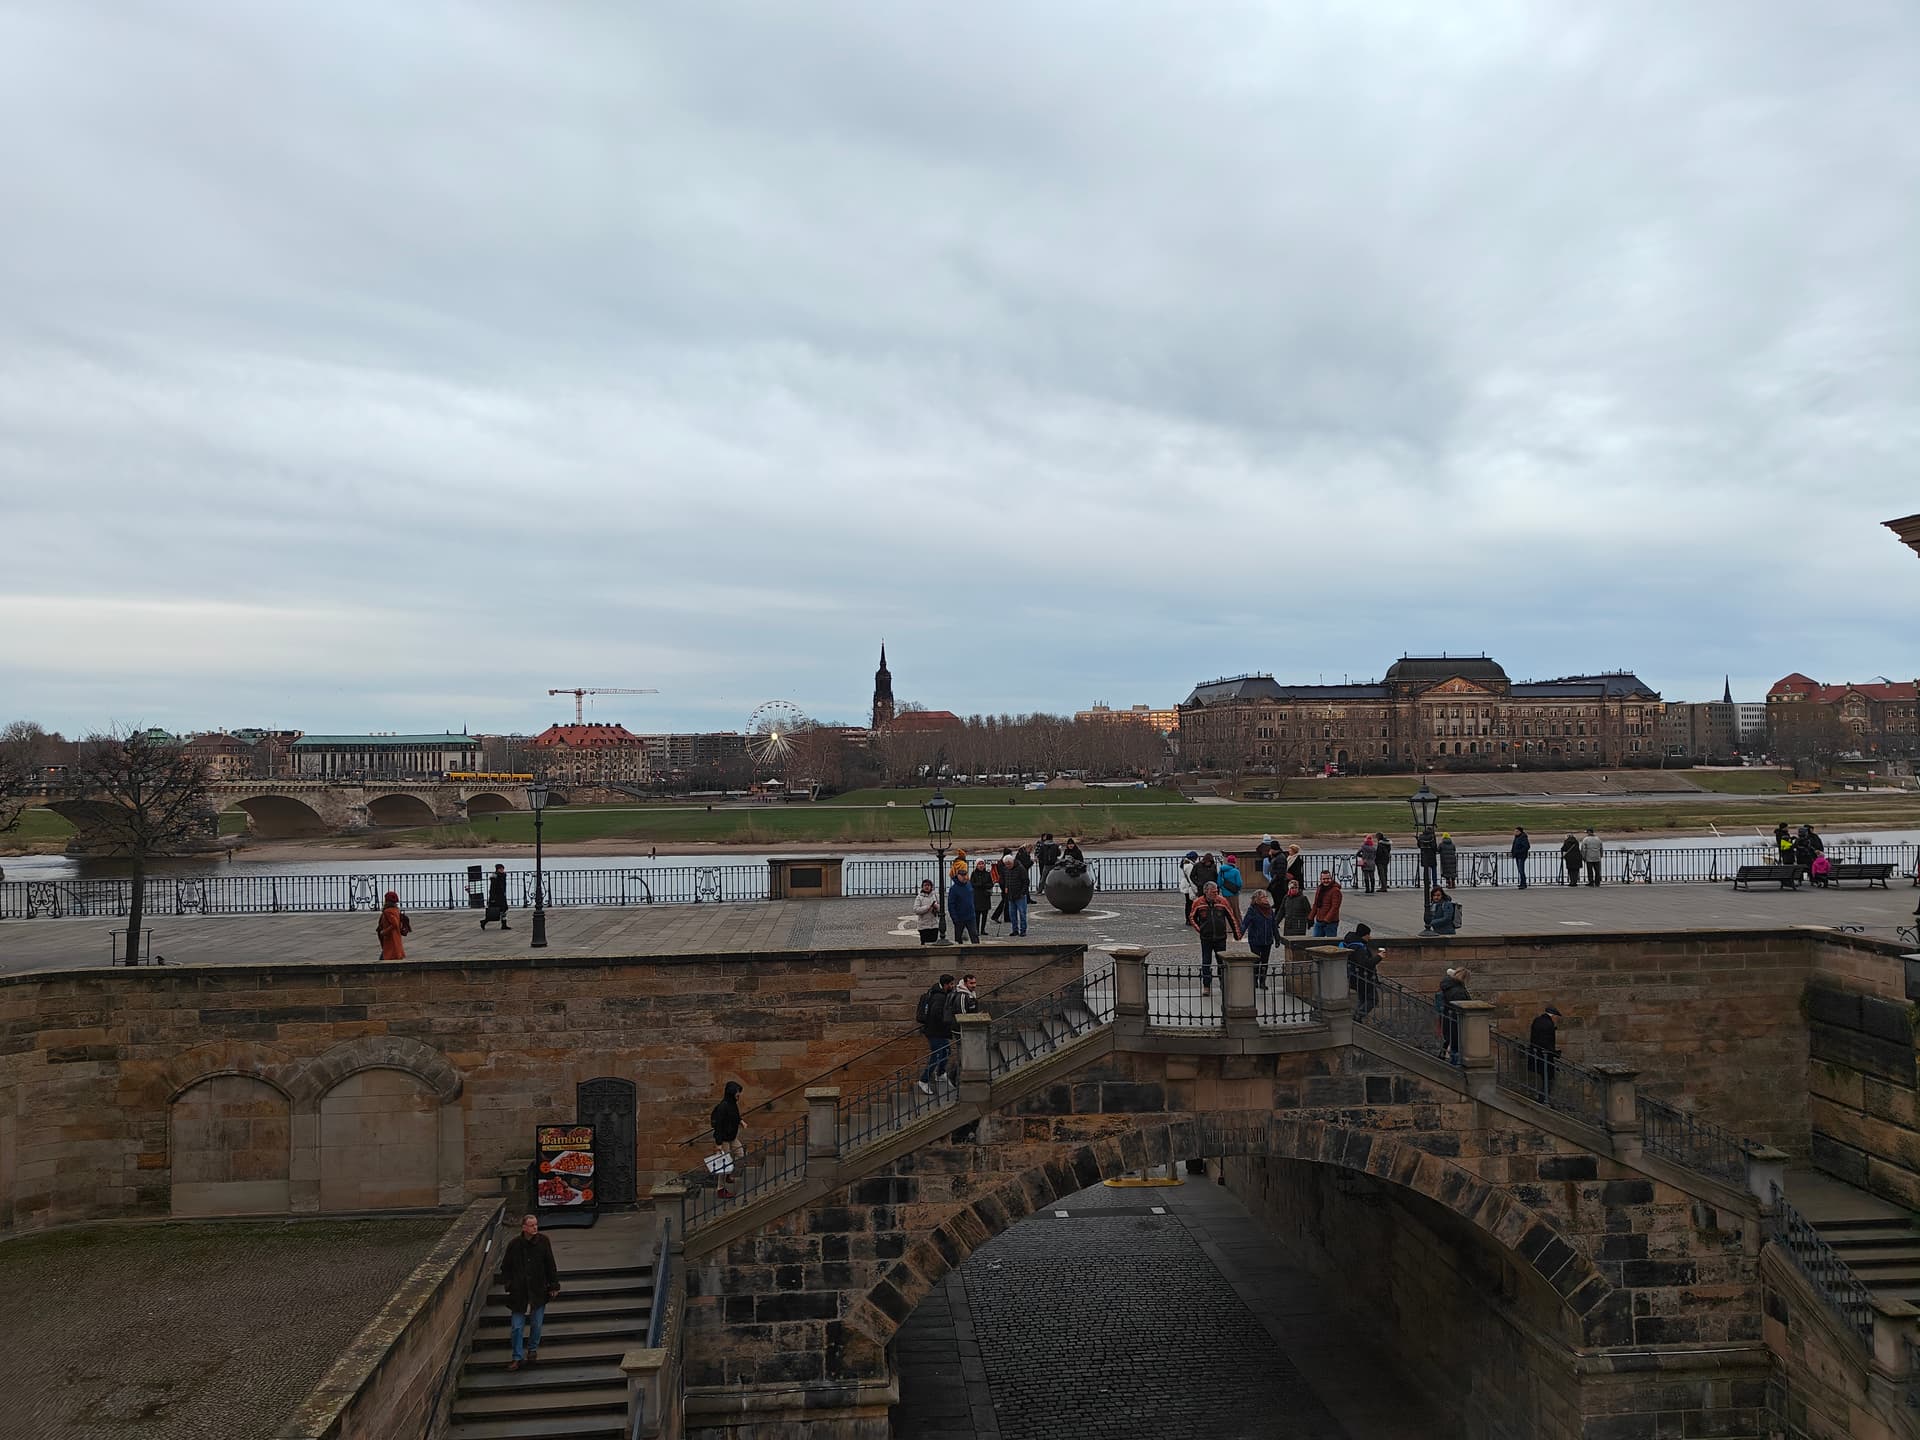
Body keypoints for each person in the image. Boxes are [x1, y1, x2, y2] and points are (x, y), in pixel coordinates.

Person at [498, 1213, 561, 1372]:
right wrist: (509, 1283)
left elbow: (550, 1264)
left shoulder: (543, 1241)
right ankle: (517, 1356)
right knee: (516, 1327)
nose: (535, 1227)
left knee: (536, 1323)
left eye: (536, 1224)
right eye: (532, 1225)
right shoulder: (514, 1244)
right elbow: (506, 1266)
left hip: (538, 1289)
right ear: (524, 1227)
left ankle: (532, 1349)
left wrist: (553, 1285)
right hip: (519, 1291)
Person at [1187, 880, 1240, 996]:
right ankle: (1206, 986)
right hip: (1206, 938)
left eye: (1216, 891)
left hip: (1220, 937)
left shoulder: (1222, 901)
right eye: (1213, 892)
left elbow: (1231, 917)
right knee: (1206, 962)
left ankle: (1223, 983)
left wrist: (1237, 934)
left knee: (1221, 962)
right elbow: (1192, 918)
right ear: (1206, 892)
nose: (1216, 894)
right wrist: (1200, 929)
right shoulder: (1198, 902)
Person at [916, 974, 959, 1093]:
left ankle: (940, 1073)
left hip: (937, 1031)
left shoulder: (937, 992)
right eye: (951, 984)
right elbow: (936, 1014)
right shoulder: (939, 997)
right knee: (937, 1055)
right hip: (935, 1032)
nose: (953, 986)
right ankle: (923, 1080)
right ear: (945, 985)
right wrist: (948, 1021)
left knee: (946, 1051)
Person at [709, 1080, 747, 1198]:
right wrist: (719, 1144)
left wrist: (741, 1121)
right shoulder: (723, 1107)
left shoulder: (732, 1103)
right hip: (724, 1139)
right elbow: (719, 1126)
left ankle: (728, 1175)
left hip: (732, 1137)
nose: (739, 1094)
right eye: (737, 1092)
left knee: (740, 1153)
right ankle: (721, 1189)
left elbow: (735, 1115)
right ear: (731, 1093)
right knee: (724, 1164)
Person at [1340, 923, 1381, 1021]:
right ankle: (1358, 1016)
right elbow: (1365, 963)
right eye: (1368, 935)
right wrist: (1379, 957)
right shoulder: (1358, 947)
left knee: (1363, 999)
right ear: (1364, 935)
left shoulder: (1350, 942)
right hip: (1363, 978)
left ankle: (1357, 1017)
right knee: (1373, 999)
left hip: (1355, 976)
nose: (1369, 937)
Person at [946, 973, 980, 1082]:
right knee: (963, 1054)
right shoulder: (962, 995)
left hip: (967, 1030)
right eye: (971, 983)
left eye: (975, 983)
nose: (974, 985)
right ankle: (954, 1076)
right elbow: (963, 1015)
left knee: (966, 1054)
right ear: (965, 983)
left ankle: (959, 1075)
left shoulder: (970, 994)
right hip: (961, 1031)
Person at [1243, 888, 1278, 990]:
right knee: (1256, 961)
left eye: (1266, 896)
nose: (1266, 898)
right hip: (1255, 940)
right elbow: (1245, 923)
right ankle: (1254, 981)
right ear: (1257, 899)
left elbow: (1274, 925)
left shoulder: (1269, 910)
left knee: (1265, 962)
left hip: (1267, 940)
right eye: (1263, 897)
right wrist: (1239, 933)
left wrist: (1277, 938)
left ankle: (1262, 981)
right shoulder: (1252, 910)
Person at [1435, 966, 1471, 1065]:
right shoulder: (1458, 991)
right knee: (1456, 1046)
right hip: (1456, 1021)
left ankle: (1450, 1060)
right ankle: (1455, 1066)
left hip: (1448, 1019)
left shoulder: (1447, 986)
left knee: (1450, 1042)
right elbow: (1464, 1007)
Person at [1527, 1004, 1562, 1102]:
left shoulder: (1537, 1020)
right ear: (1553, 1015)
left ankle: (1543, 1098)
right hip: (1544, 1055)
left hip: (1536, 1054)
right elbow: (1546, 1041)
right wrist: (1554, 1052)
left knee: (1544, 1076)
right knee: (1548, 1077)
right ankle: (1543, 1099)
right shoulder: (1549, 1024)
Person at [1004, 848, 1032, 936]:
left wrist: (1023, 892)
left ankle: (1023, 930)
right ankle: (1014, 930)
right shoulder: (1006, 869)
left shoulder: (1020, 868)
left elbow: (1026, 881)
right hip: (1011, 895)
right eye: (1006, 864)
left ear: (1012, 862)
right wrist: (1006, 887)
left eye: (1009, 864)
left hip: (1020, 895)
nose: (1008, 866)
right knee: (1012, 914)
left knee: (1022, 913)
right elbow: (1006, 880)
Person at [947, 871, 979, 945]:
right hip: (959, 917)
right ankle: (959, 951)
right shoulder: (953, 889)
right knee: (958, 938)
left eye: (965, 875)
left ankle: (977, 950)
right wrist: (954, 918)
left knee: (974, 935)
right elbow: (951, 905)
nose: (964, 877)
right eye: (962, 876)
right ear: (958, 876)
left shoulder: (969, 884)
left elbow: (972, 898)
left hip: (971, 916)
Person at [377, 891, 411, 961]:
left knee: (386, 957)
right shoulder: (396, 910)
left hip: (390, 938)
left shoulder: (388, 912)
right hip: (395, 937)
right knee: (392, 955)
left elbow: (394, 924)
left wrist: (384, 932)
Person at [1308, 870, 1342, 938]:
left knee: (1330, 942)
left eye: (1328, 879)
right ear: (1320, 879)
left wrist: (1326, 920)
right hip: (1319, 920)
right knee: (1316, 941)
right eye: (1324, 879)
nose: (1326, 881)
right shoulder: (1319, 888)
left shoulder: (1335, 890)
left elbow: (1335, 907)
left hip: (1331, 922)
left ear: (1331, 879)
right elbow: (1316, 904)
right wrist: (1310, 918)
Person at [481, 863, 511, 930]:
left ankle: (504, 925)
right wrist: (492, 898)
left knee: (504, 910)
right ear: (497, 869)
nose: (502, 870)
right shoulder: (495, 877)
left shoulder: (503, 876)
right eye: (501, 869)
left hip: (502, 896)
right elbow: (492, 889)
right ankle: (484, 921)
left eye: (503, 869)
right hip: (496, 897)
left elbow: (503, 886)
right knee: (494, 912)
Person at [1218, 853, 1244, 925]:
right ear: (1234, 862)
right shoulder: (1236, 871)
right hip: (1234, 893)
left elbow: (1219, 883)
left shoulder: (1222, 870)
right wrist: (1238, 889)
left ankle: (1228, 926)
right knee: (1236, 910)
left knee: (1227, 910)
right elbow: (1239, 883)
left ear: (1227, 861)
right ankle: (1238, 925)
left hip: (1225, 894)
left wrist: (1223, 888)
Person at [970, 860, 994, 936]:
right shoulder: (974, 874)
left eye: (982, 864)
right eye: (979, 864)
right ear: (976, 865)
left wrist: (984, 885)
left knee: (985, 914)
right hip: (977, 896)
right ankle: (976, 930)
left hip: (985, 896)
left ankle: (983, 930)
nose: (981, 866)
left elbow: (991, 884)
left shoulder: (987, 874)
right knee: (977, 915)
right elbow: (971, 884)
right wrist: (979, 884)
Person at [913, 878, 941, 944]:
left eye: (928, 885)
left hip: (934, 925)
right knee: (924, 943)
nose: (927, 887)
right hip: (923, 926)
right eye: (925, 885)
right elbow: (916, 910)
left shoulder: (935, 896)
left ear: (931, 886)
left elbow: (941, 908)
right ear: (922, 887)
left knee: (934, 942)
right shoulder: (919, 897)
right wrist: (927, 907)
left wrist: (936, 906)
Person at [1417, 828, 1440, 896]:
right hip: (1432, 856)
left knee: (1426, 870)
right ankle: (1434, 883)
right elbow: (1434, 846)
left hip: (1424, 855)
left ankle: (1426, 883)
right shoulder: (1432, 837)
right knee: (1434, 870)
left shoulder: (1421, 836)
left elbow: (1419, 845)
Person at [1179, 850, 1201, 921]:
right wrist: (1195, 889)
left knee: (1189, 903)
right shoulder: (1189, 866)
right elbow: (1191, 878)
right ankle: (1191, 919)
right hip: (1189, 887)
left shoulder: (1186, 864)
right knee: (1191, 903)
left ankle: (1189, 919)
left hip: (1186, 886)